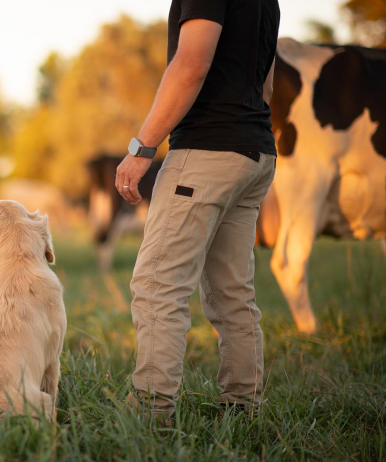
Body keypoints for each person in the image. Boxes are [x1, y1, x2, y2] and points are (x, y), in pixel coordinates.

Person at [115, 0, 281, 422]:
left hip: (208, 150)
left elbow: (191, 64)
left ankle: (152, 414)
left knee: (158, 285)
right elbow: (266, 80)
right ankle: (243, 407)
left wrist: (142, 148)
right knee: (233, 293)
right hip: (255, 149)